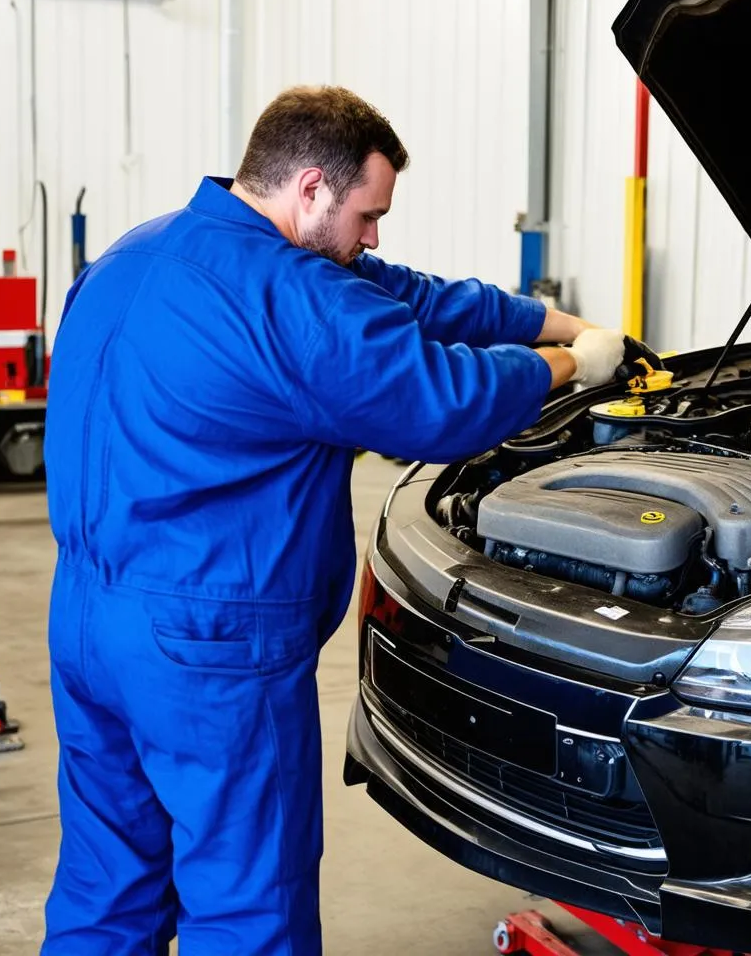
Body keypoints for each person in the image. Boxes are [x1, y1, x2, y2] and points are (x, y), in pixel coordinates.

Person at [41, 85, 638, 956]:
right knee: (250, 902)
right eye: (368, 213)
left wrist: (550, 314)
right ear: (312, 187)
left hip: (86, 624)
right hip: (208, 650)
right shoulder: (288, 298)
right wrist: (561, 362)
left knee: (109, 882)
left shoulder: (139, 254)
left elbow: (407, 297)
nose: (374, 236)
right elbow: (438, 402)